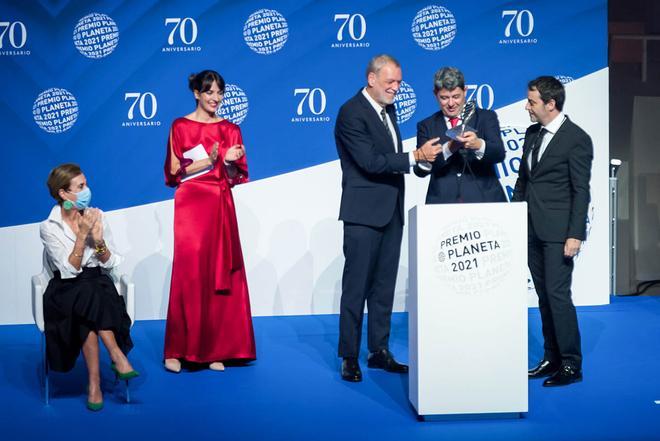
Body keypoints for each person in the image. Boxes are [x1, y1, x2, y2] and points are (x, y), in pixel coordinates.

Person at [335, 54, 442, 382]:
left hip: (392, 212)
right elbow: (369, 162)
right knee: (356, 288)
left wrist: (422, 162)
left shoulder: (388, 110)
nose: (396, 88)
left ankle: (379, 350)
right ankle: (349, 356)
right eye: (390, 82)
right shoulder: (351, 112)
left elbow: (392, 158)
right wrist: (415, 157)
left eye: (398, 82)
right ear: (371, 79)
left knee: (383, 288)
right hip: (363, 214)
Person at [163, 70, 256, 373]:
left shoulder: (231, 129)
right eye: (209, 92)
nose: (215, 98)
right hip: (190, 205)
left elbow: (234, 177)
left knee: (219, 273)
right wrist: (209, 160)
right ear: (196, 94)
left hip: (218, 203)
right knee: (189, 274)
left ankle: (215, 348)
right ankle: (177, 350)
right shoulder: (179, 125)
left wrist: (227, 162)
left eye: (219, 92)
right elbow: (174, 172)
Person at [512, 76, 593, 386]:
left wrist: (575, 234)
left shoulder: (577, 138)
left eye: (532, 102)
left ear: (550, 104)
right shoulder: (532, 133)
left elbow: (580, 190)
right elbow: (523, 180)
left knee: (558, 296)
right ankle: (551, 357)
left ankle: (572, 364)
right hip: (530, 227)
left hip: (559, 232)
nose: (527, 106)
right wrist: (513, 216)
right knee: (544, 297)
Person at [40, 163, 137, 411]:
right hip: (65, 288)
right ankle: (116, 355)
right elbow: (69, 270)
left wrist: (100, 241)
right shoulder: (49, 227)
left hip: (96, 285)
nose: (87, 190)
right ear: (64, 193)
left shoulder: (97, 215)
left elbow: (111, 261)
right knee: (86, 294)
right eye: (81, 186)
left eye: (86, 184)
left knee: (89, 302)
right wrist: (83, 237)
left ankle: (94, 384)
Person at [414, 67, 507, 203]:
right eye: (444, 98)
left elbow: (499, 153)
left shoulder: (486, 117)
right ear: (435, 94)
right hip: (442, 203)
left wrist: (478, 145)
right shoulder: (426, 126)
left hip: (485, 200)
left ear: (465, 91)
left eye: (456, 97)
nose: (451, 103)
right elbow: (421, 170)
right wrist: (449, 148)